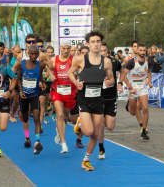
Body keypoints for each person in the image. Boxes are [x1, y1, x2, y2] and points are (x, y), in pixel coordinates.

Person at [68, 30, 114, 171]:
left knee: (95, 133)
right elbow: (70, 72)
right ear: (88, 44)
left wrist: (109, 83)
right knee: (88, 132)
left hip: (99, 100)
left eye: (98, 41)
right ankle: (79, 124)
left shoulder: (106, 61)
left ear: (101, 43)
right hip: (84, 100)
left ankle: (86, 160)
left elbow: (112, 78)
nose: (96, 44)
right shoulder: (80, 59)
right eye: (93, 42)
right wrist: (76, 83)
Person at [49, 39, 78, 154]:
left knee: (65, 117)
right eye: (64, 48)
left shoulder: (74, 59)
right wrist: (51, 76)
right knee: (60, 114)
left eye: (68, 49)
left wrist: (76, 74)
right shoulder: (54, 59)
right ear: (60, 47)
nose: (66, 51)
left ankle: (59, 131)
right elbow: (50, 70)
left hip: (70, 92)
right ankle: (64, 144)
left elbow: (80, 69)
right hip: (57, 90)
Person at [16, 45, 46, 155]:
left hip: (34, 95)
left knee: (37, 118)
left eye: (36, 54)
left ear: (38, 54)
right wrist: (21, 91)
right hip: (24, 95)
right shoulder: (21, 64)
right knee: (25, 117)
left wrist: (42, 83)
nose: (34, 56)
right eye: (32, 53)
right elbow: (18, 79)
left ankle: (37, 143)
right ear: (28, 53)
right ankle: (27, 137)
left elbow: (40, 76)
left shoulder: (41, 65)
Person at [98, 41, 123, 159]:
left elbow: (122, 71)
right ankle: (101, 149)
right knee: (101, 124)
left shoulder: (114, 61)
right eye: (101, 51)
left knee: (110, 127)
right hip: (98, 97)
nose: (103, 53)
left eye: (105, 51)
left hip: (112, 97)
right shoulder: (93, 63)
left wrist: (120, 83)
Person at [123, 42, 153, 139]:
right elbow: (123, 74)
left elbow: (148, 72)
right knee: (133, 112)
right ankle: (129, 105)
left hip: (142, 87)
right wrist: (130, 87)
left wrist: (149, 80)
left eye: (144, 50)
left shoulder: (149, 61)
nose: (143, 52)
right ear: (137, 51)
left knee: (145, 108)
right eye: (141, 50)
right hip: (133, 89)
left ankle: (143, 131)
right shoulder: (132, 62)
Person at [8, 45, 22, 122]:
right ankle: (9, 109)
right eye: (16, 52)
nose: (17, 53)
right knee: (11, 96)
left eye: (19, 52)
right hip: (12, 80)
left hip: (19, 81)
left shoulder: (22, 59)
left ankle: (12, 114)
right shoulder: (9, 58)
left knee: (17, 101)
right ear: (13, 51)